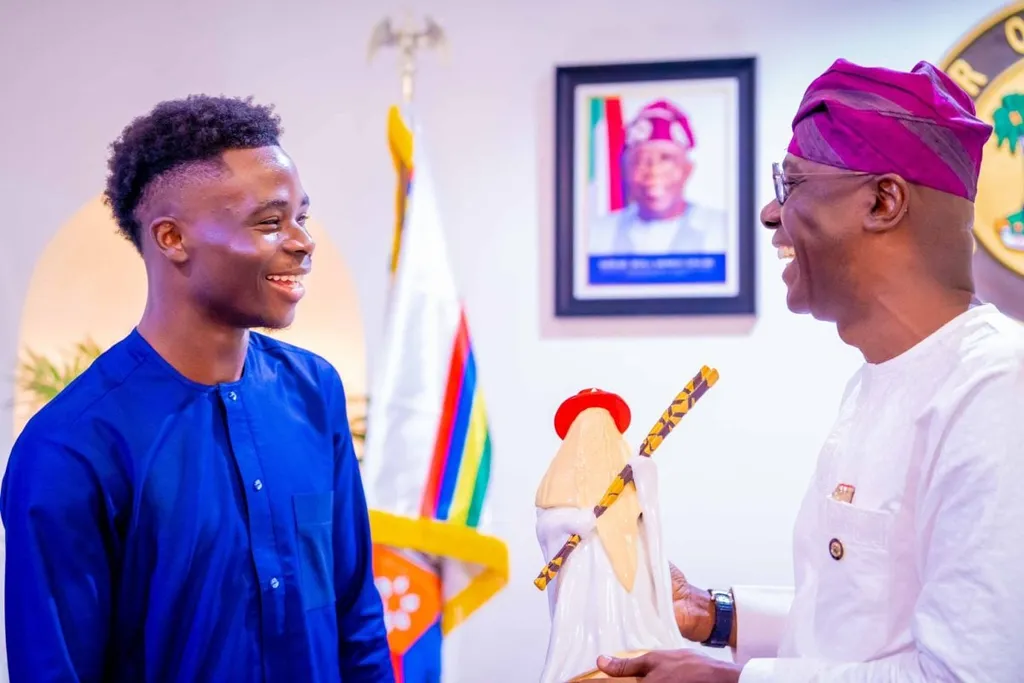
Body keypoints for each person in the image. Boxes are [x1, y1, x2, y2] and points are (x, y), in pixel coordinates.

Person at [597, 58, 1024, 682]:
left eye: (792, 183)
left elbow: (966, 674)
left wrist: (735, 681)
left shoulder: (995, 390)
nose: (772, 213)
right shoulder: (880, 378)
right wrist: (715, 616)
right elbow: (863, 616)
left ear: (883, 201)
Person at [0, 95, 394, 682]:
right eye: (269, 222)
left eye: (300, 218)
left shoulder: (315, 392)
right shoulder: (70, 447)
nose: (303, 242)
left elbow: (354, 615)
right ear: (171, 239)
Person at [534, 389, 683, 683]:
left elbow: (647, 522)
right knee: (588, 619)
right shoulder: (560, 480)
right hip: (583, 573)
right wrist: (575, 519)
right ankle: (586, 657)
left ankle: (634, 647)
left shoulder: (630, 476)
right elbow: (546, 524)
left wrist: (647, 487)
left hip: (629, 577)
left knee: (631, 613)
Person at [588, 100, 729, 256]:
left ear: (687, 170)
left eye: (666, 159)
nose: (653, 171)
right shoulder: (596, 234)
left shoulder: (724, 230)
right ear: (626, 170)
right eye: (641, 160)